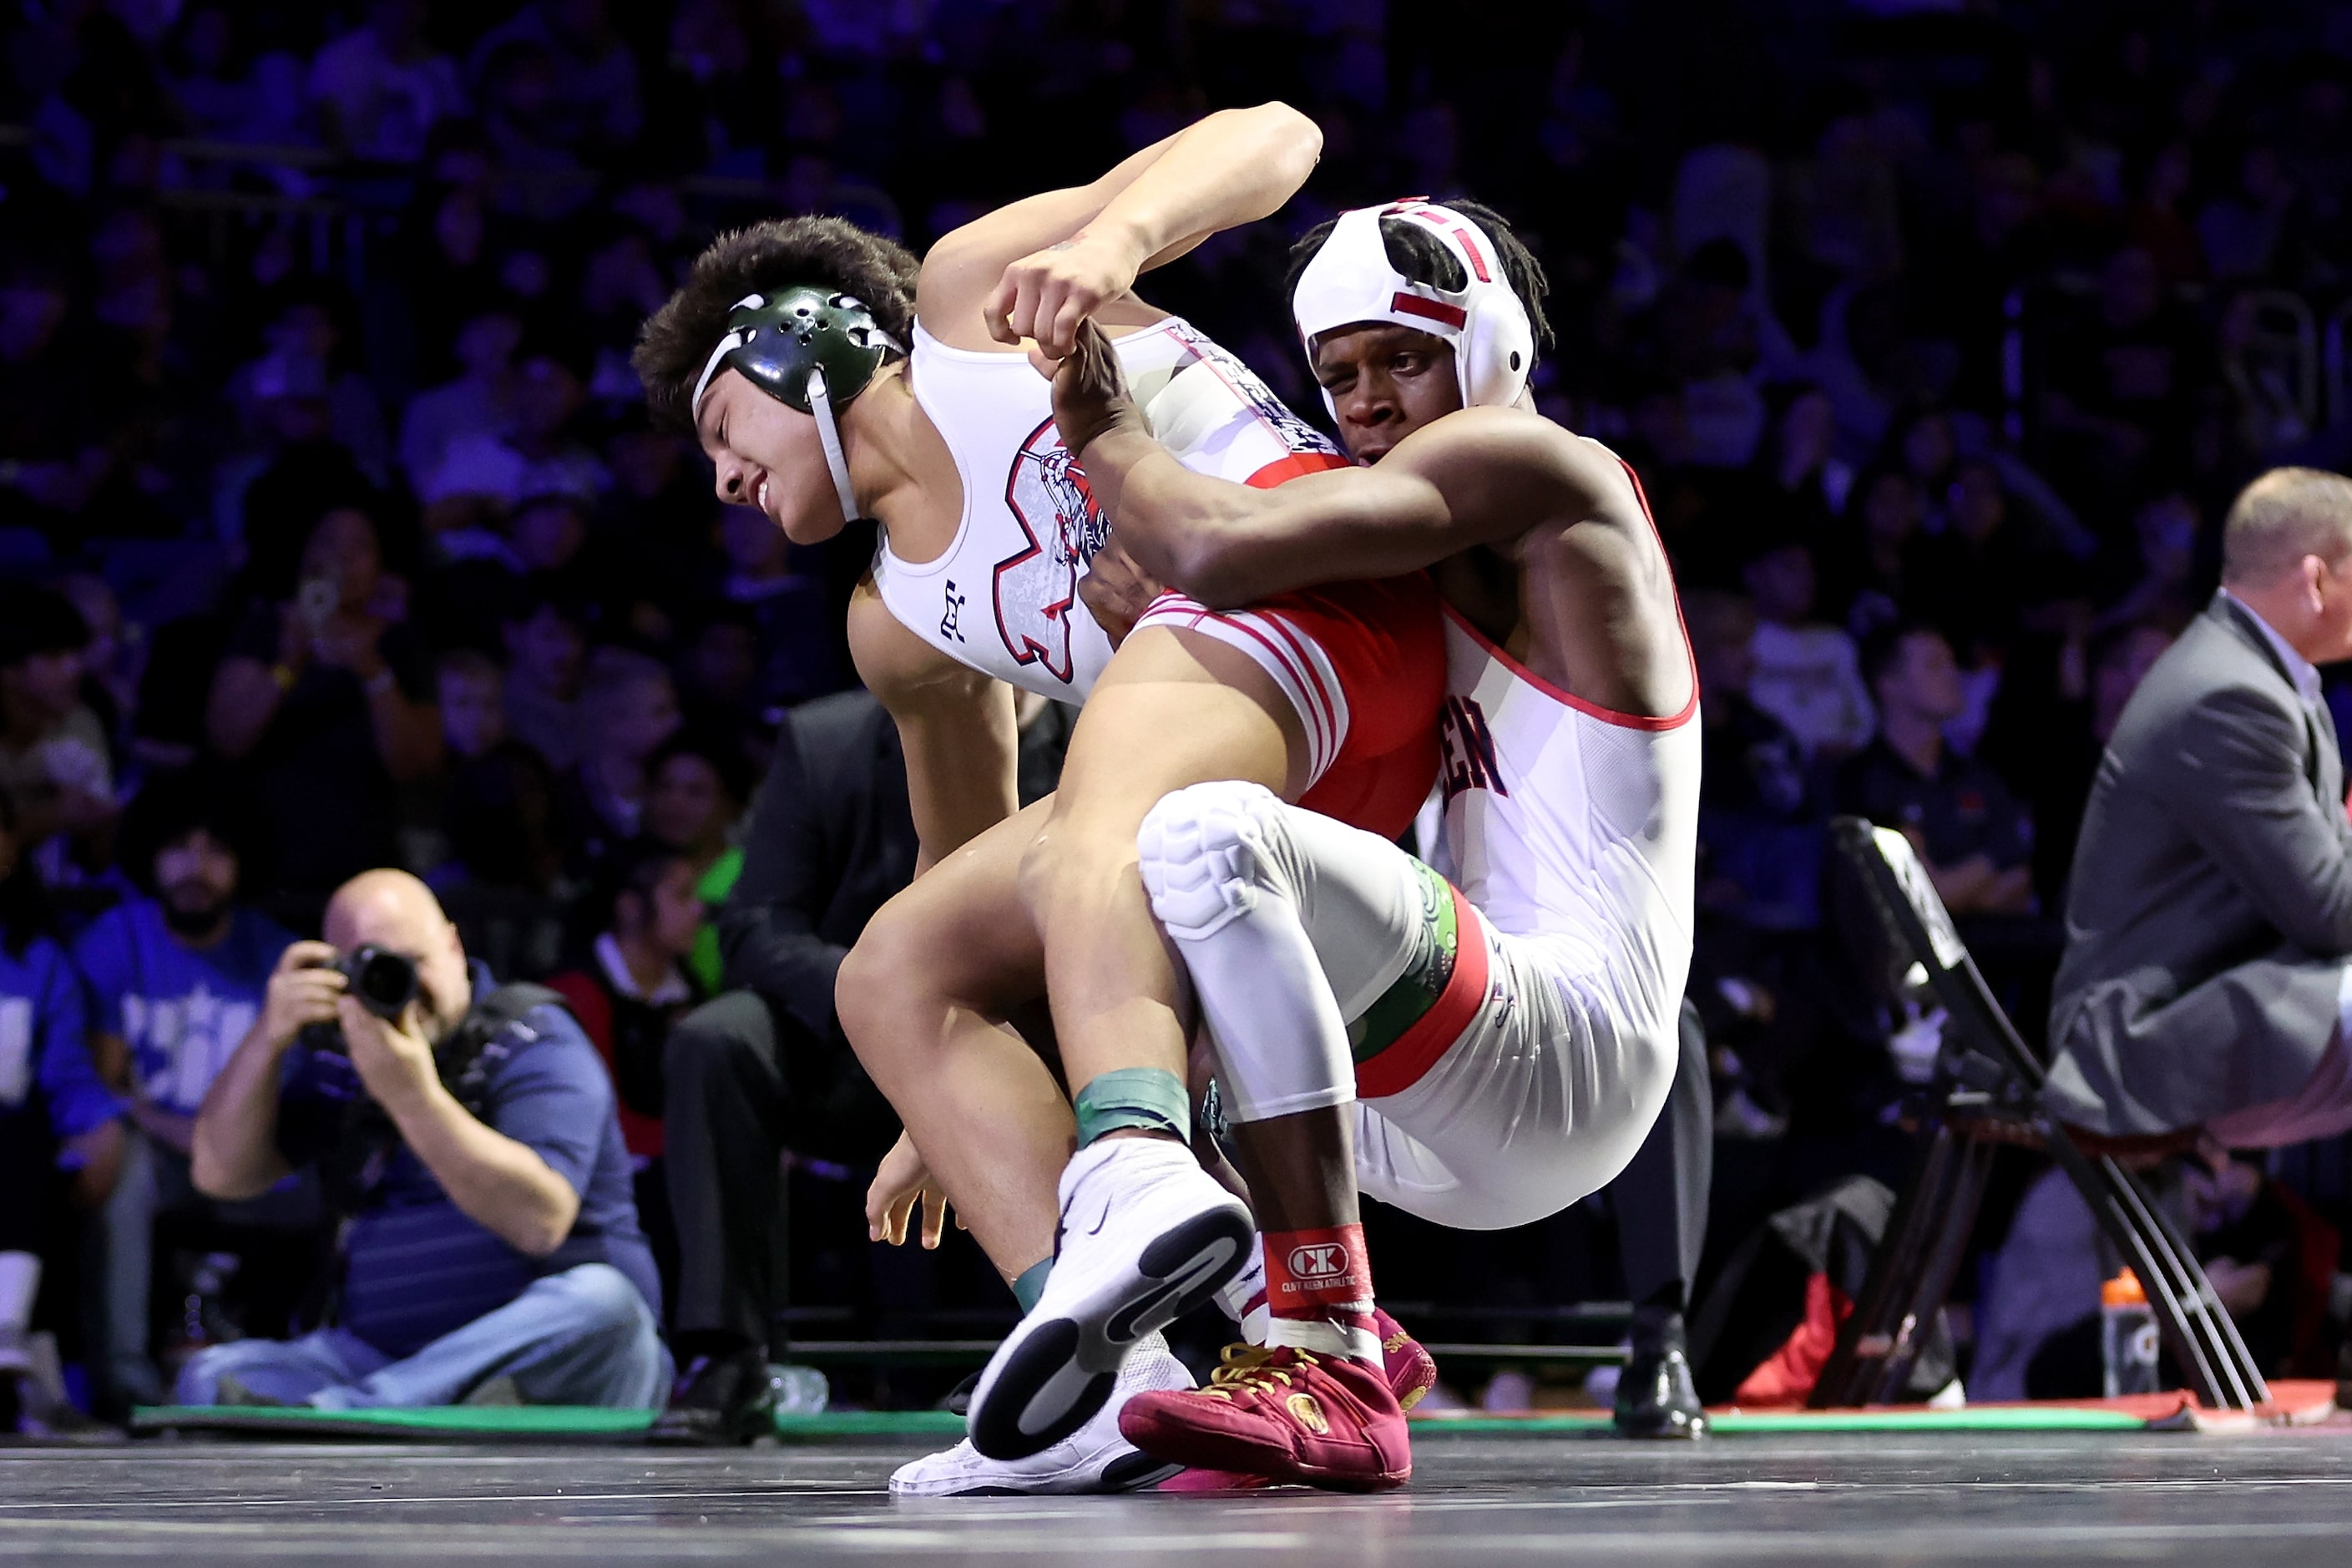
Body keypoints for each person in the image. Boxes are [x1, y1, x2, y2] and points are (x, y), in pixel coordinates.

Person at [857, 198, 1692, 1490]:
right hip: (1430, 1084)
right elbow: (1213, 576)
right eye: (1338, 374)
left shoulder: (1537, 469)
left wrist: (1097, 421)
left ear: (1494, 346)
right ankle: (1201, 1358)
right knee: (1144, 936)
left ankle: (1331, 1355)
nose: (1365, 401)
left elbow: (1211, 537)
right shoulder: (1411, 544)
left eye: (1401, 358)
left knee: (1194, 837)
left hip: (1568, 1048)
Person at [179, 869, 665, 1410]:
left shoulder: (533, 1040)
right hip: (383, 1358)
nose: (402, 988)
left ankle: (354, 1416)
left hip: (542, 1354)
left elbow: (539, 1221)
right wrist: (268, 1037)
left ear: (454, 948)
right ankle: (406, 1408)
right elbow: (218, 1174)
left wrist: (412, 1095)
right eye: (374, 968)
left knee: (607, 1304)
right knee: (210, 1376)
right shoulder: (342, 1058)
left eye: (413, 962)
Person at [2047, 468, 2352, 1150]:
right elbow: (2333, 915)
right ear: (2314, 580)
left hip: (2222, 1002)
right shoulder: (2229, 696)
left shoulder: (2265, 678)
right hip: (2145, 1041)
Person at [70, 775, 301, 1410]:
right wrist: (188, 1134)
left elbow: (291, 1096)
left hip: (257, 1157)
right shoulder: (116, 940)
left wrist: (224, 1143)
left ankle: (309, 1378)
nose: (195, 867)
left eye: (216, 850)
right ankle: (123, 1382)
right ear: (149, 852)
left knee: (336, 1173)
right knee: (120, 1163)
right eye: (179, 847)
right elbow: (106, 1085)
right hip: (160, 1153)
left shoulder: (274, 955)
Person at [206, 504, 443, 899]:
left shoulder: (401, 647)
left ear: (380, 566)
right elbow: (228, 738)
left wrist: (373, 672)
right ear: (305, 553)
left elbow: (416, 764)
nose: (343, 557)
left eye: (360, 546)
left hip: (364, 860)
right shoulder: (264, 630)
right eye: (329, 541)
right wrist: (288, 662)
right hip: (263, 857)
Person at [549, 838, 710, 1314]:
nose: (699, 909)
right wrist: (698, 1144)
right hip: (602, 1174)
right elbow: (604, 1116)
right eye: (681, 896)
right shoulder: (577, 992)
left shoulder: (689, 988)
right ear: (629, 906)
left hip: (670, 1162)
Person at [1836, 620, 2034, 918]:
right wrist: (1993, 868)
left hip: (1995, 956)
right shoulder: (1861, 782)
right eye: (1934, 665)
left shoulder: (1978, 776)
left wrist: (1950, 893)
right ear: (1888, 684)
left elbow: (2021, 879)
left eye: (1951, 662)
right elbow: (1916, 895)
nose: (1952, 673)